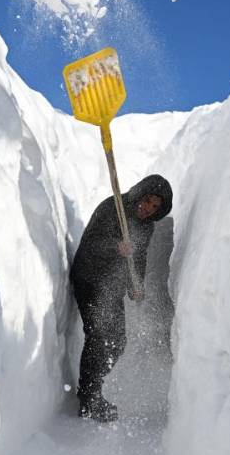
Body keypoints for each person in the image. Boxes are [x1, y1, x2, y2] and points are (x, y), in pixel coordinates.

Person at [69, 174, 173, 422]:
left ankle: (93, 389)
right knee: (99, 336)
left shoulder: (146, 227)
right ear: (140, 193)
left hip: (111, 287)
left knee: (117, 342)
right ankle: (88, 399)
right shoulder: (113, 207)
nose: (148, 208)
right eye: (147, 200)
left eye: (155, 207)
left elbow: (137, 258)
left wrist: (136, 286)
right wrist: (115, 246)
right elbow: (91, 244)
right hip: (90, 277)